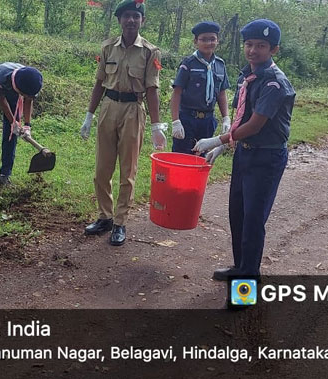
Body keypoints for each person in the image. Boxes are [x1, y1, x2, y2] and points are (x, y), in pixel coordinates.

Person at [192, 19, 295, 281]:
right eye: (249, 44)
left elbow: (255, 124)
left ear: (274, 50)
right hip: (245, 153)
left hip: (266, 157)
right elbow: (241, 116)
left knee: (253, 221)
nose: (253, 50)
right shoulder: (247, 76)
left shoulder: (274, 82)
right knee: (237, 215)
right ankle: (241, 268)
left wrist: (218, 140)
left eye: (261, 45)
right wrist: (227, 147)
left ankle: (246, 285)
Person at [79, 0, 166, 246]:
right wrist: (89, 115)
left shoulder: (150, 51)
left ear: (142, 21)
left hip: (133, 110)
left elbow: (152, 89)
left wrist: (156, 126)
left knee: (127, 171)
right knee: (101, 170)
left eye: (136, 16)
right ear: (119, 20)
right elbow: (99, 83)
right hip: (108, 106)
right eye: (127, 16)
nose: (131, 21)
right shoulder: (108, 47)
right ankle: (105, 216)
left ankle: (120, 222)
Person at [0, 63, 43, 185]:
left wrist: (27, 125)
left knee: (11, 135)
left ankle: (5, 174)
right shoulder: (2, 78)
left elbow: (29, 101)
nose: (27, 96)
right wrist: (13, 122)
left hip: (14, 91)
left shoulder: (31, 81)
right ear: (20, 90)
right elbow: (1, 100)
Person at [170, 21, 230, 154]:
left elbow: (221, 93)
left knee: (201, 157)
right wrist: (175, 121)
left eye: (212, 39)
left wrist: (226, 118)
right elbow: (177, 92)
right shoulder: (188, 64)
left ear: (217, 41)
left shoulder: (220, 64)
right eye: (204, 39)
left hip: (208, 120)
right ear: (196, 41)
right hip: (187, 118)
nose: (209, 43)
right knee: (182, 155)